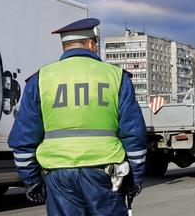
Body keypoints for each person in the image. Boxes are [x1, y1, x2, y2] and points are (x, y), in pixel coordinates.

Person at [8, 18, 147, 215]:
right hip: (104, 173)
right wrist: (135, 177)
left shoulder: (41, 79)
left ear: (65, 46)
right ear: (91, 43)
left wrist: (31, 181)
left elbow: (23, 138)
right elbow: (134, 135)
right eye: (96, 44)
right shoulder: (116, 77)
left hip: (59, 175)